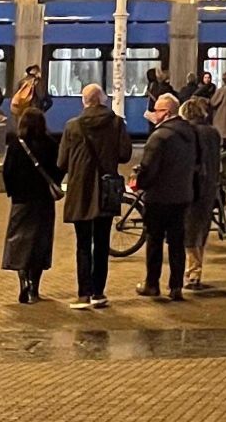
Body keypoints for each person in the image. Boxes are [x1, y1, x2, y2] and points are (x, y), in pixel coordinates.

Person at [58, 83, 132, 309]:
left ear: (84, 101)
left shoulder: (73, 126)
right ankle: (99, 293)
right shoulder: (117, 123)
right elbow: (125, 155)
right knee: (101, 242)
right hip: (106, 190)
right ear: (103, 100)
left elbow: (61, 162)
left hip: (81, 190)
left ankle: (83, 294)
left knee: (83, 243)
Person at [135, 92, 198, 301]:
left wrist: (140, 182)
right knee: (177, 243)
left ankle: (152, 284)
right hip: (182, 196)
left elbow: (148, 167)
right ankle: (176, 286)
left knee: (154, 241)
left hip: (159, 197)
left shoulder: (159, 136)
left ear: (167, 112)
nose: (154, 114)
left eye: (157, 110)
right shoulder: (189, 133)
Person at [1, 107, 64, 304]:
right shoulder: (51, 144)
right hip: (43, 200)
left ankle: (23, 283)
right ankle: (35, 287)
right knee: (40, 243)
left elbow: (7, 172)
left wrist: (13, 193)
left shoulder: (16, 145)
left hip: (21, 201)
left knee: (20, 242)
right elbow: (59, 168)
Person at [178, 97, 222, 288]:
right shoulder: (213, 132)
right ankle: (196, 269)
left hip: (191, 186)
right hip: (210, 185)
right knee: (201, 229)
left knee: (189, 230)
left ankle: (193, 273)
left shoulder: (189, 133)